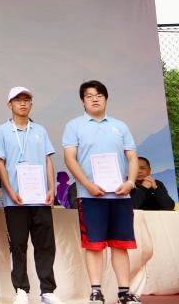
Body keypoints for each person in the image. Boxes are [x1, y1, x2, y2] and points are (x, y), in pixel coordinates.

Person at [63, 80, 140, 304]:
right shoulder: (74, 126)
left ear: (106, 99)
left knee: (120, 245)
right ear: (83, 101)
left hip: (120, 195)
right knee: (94, 245)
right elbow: (70, 158)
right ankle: (96, 292)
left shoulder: (120, 126)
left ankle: (124, 293)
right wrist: (87, 184)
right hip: (90, 196)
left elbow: (132, 157)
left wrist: (130, 182)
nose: (95, 99)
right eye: (89, 96)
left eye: (99, 95)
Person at [0, 87, 61, 304]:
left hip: (40, 198)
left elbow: (48, 160)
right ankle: (21, 290)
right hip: (16, 201)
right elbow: (0, 163)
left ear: (31, 104)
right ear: (9, 105)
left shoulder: (40, 130)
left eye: (27, 100)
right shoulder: (2, 131)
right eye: (18, 100)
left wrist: (52, 188)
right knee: (18, 245)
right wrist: (10, 191)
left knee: (45, 245)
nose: (23, 103)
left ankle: (47, 291)